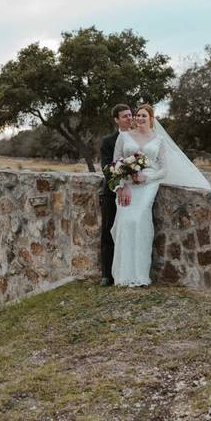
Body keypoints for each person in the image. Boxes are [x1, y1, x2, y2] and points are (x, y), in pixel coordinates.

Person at [110, 103, 211, 286]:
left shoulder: (159, 141)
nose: (139, 118)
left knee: (140, 222)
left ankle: (140, 275)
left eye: (143, 116)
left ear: (151, 119)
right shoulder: (123, 137)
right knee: (125, 224)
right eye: (137, 115)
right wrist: (120, 186)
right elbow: (115, 164)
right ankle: (123, 275)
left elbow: (164, 170)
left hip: (148, 185)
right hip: (128, 186)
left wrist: (146, 179)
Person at [99, 104, 132, 286]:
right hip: (111, 193)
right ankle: (106, 274)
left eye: (130, 115)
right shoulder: (108, 141)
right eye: (125, 116)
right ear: (117, 120)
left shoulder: (138, 138)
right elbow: (106, 168)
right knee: (108, 231)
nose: (129, 118)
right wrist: (118, 187)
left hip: (134, 193)